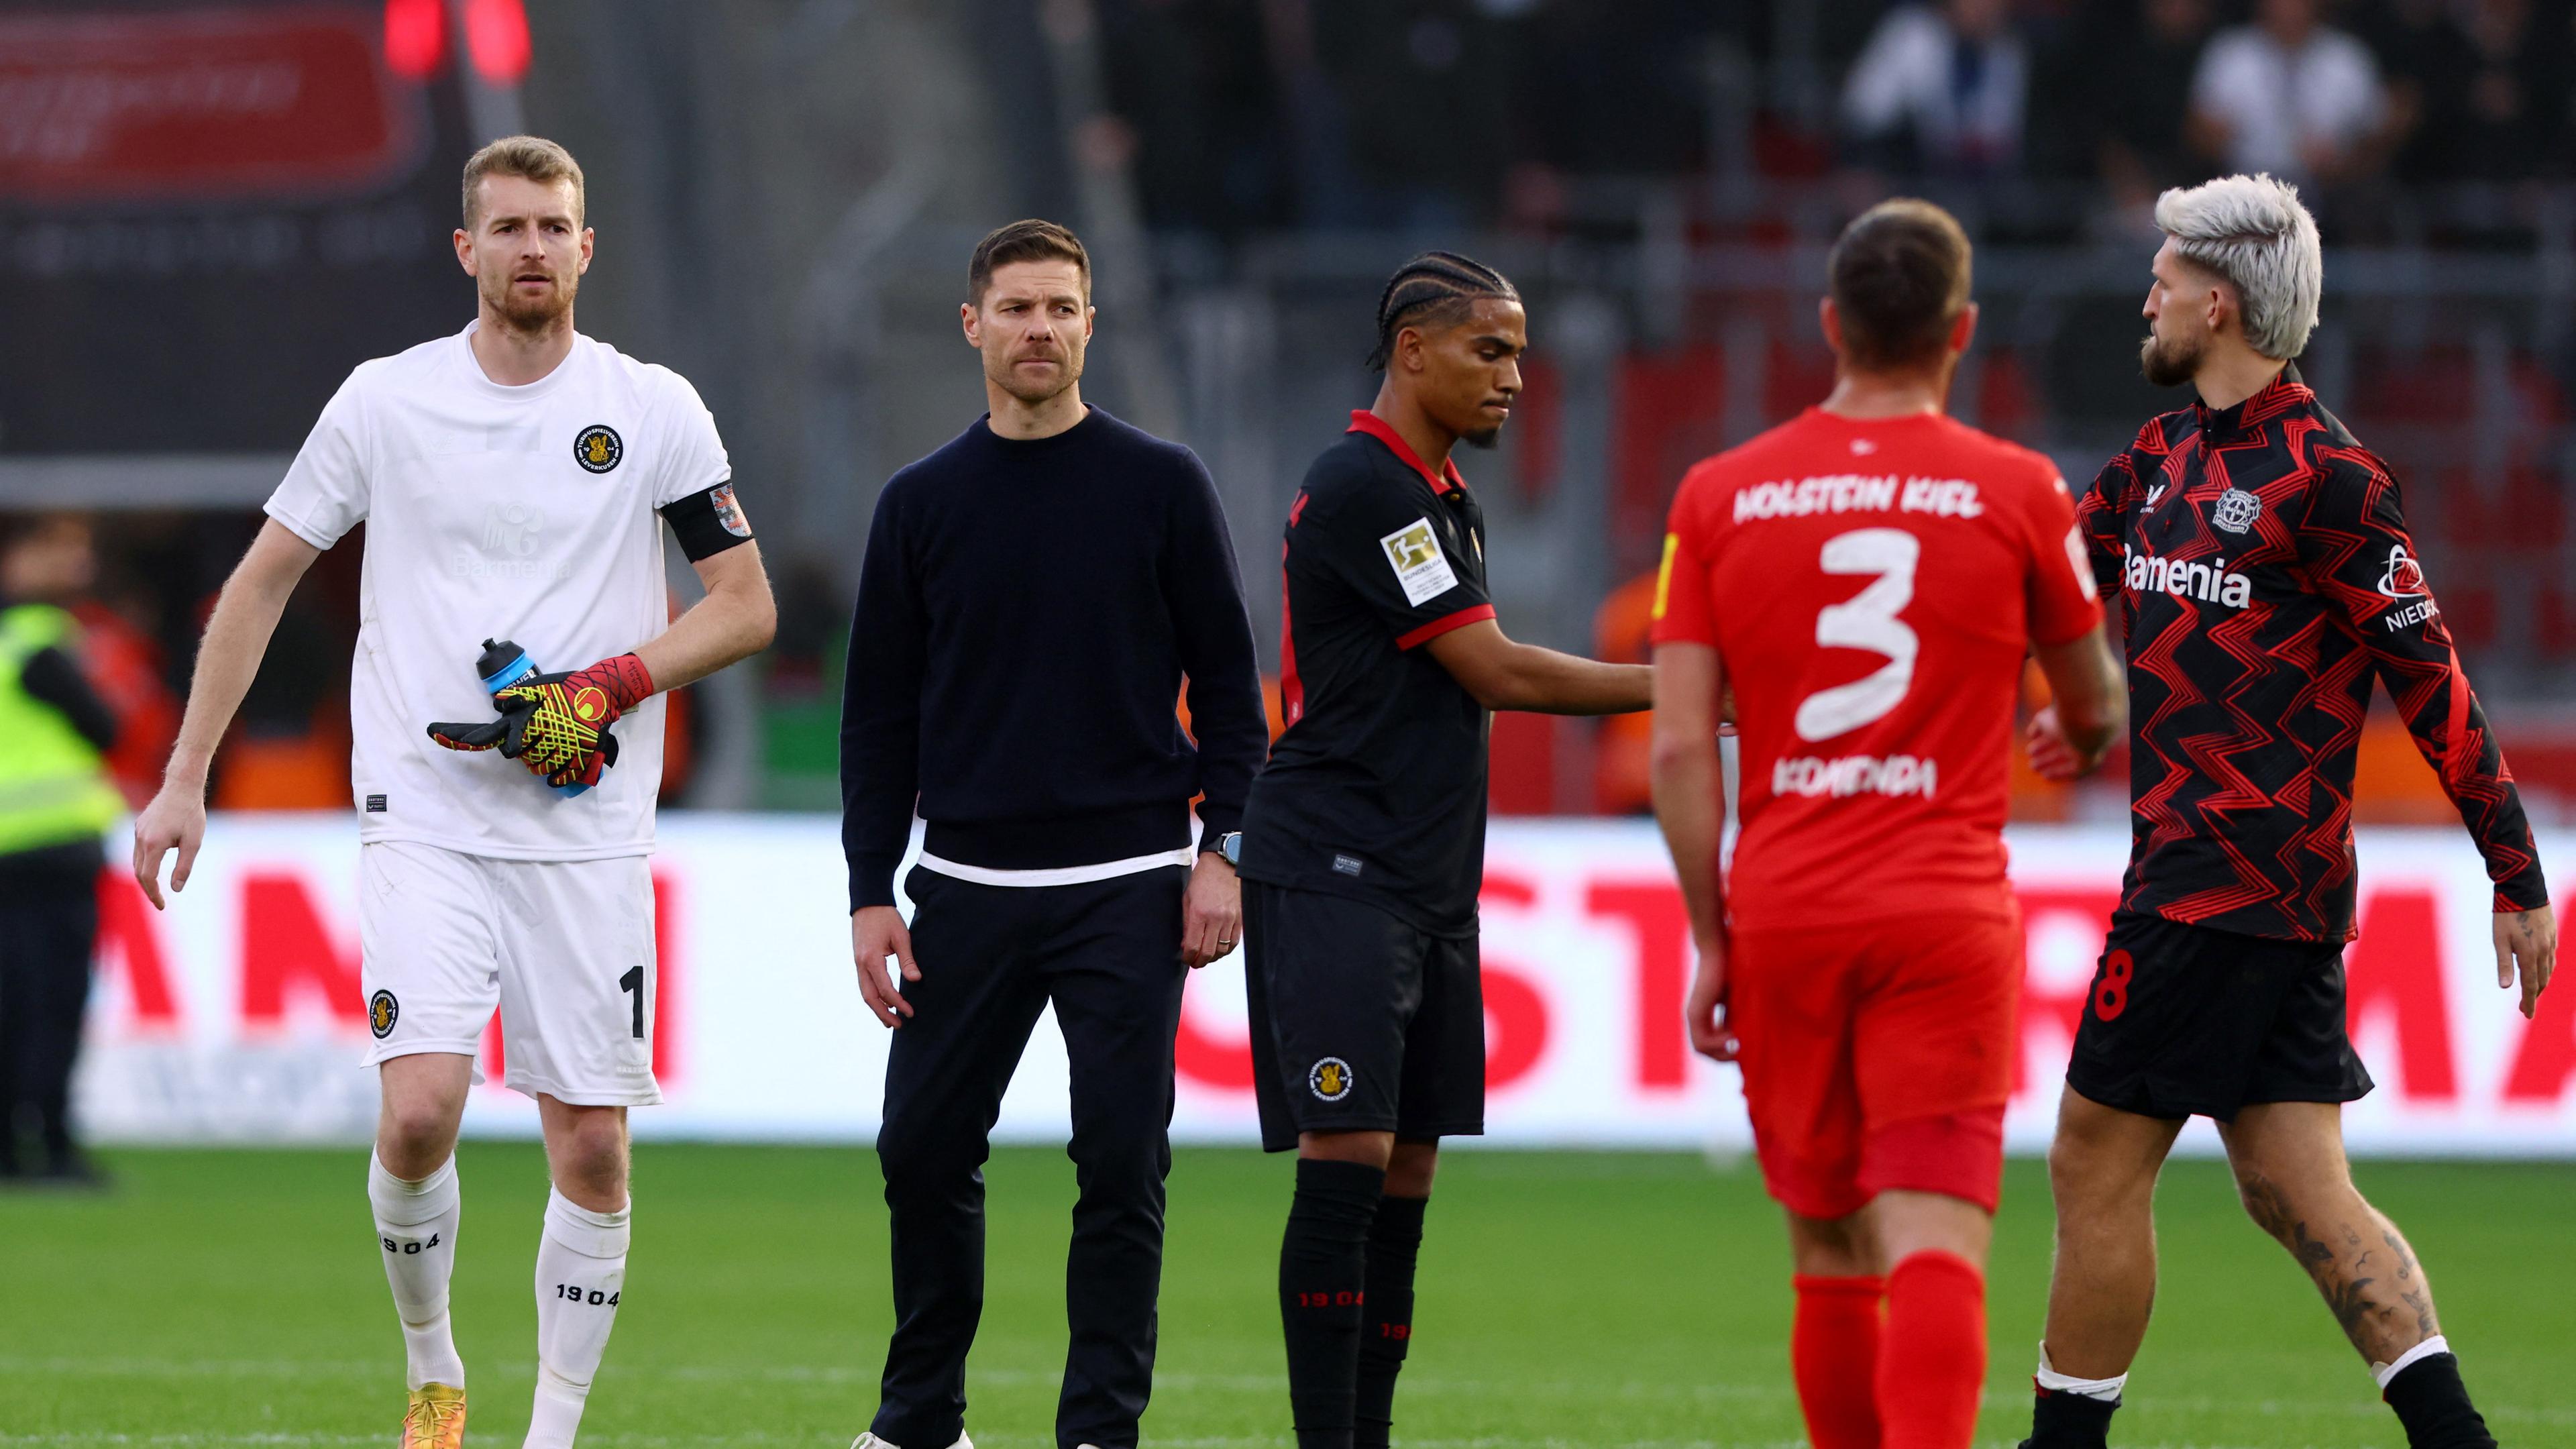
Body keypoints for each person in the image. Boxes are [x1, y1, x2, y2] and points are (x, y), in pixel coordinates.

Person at [129, 136, 776, 1449]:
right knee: (419, 1111)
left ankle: (549, 1433)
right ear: (466, 249)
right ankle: (434, 1369)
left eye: (554, 226)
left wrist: (604, 686)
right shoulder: (385, 401)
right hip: (422, 813)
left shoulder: (653, 408)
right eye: (509, 227)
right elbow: (260, 580)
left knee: (591, 1148)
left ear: (586, 249)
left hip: (588, 832)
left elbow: (745, 605)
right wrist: (183, 774)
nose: (533, 247)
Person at [2021, 174, 2555, 1449]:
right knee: (2294, 1188)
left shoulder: (2331, 477)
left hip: (2232, 881)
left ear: (2217, 301)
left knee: (2095, 1156)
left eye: (2160, 277)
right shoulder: (2159, 457)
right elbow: (2043, 593)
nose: (2142, 295)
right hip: (2229, 883)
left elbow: (2434, 686)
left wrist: (2517, 873)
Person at [1648, 200, 2125, 1449]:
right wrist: (2074, 735)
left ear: (1830, 326)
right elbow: (2098, 701)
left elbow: (1683, 745)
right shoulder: (2022, 491)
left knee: (1827, 1237)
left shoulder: (1716, 496)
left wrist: (1713, 935)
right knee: (1935, 1237)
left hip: (1788, 908)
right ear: (1963, 331)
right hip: (1945, 913)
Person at [839, 218, 1269, 1449]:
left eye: (1061, 308)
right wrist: (872, 891)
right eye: (1017, 308)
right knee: (920, 1150)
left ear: (1091, 323)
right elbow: (878, 721)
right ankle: (922, 1419)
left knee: (1122, 1166)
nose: (1040, 329)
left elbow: (1233, 694)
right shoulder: (918, 504)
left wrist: (1223, 848)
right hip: (963, 887)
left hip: (1128, 883)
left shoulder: (1162, 484)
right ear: (972, 326)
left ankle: (1098, 1431)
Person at [1236, 252, 1652, 1449]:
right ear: (1413, 350)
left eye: (1519, 352)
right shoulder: (1365, 485)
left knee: (1407, 1175)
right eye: (1492, 350)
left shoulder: (1437, 492)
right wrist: (1684, 689)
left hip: (1424, 876)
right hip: (1336, 862)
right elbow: (1496, 670)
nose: (1516, 377)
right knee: (1351, 1153)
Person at [0, 515, 123, 1185]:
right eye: (62, 551)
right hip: (52, 850)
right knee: (52, 1004)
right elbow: (104, 727)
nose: (77, 566)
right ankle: (50, 1143)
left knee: (7, 1004)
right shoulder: (40, 639)